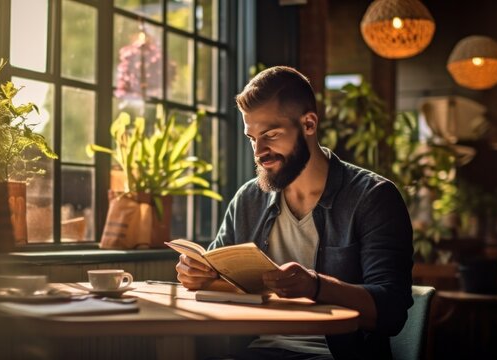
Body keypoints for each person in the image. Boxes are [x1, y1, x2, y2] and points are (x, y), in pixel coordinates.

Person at [175, 66, 413, 360]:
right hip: (255, 352)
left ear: (309, 124)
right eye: (251, 137)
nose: (259, 151)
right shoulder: (248, 199)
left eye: (271, 134)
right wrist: (198, 275)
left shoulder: (373, 198)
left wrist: (316, 286)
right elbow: (218, 280)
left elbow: (391, 312)